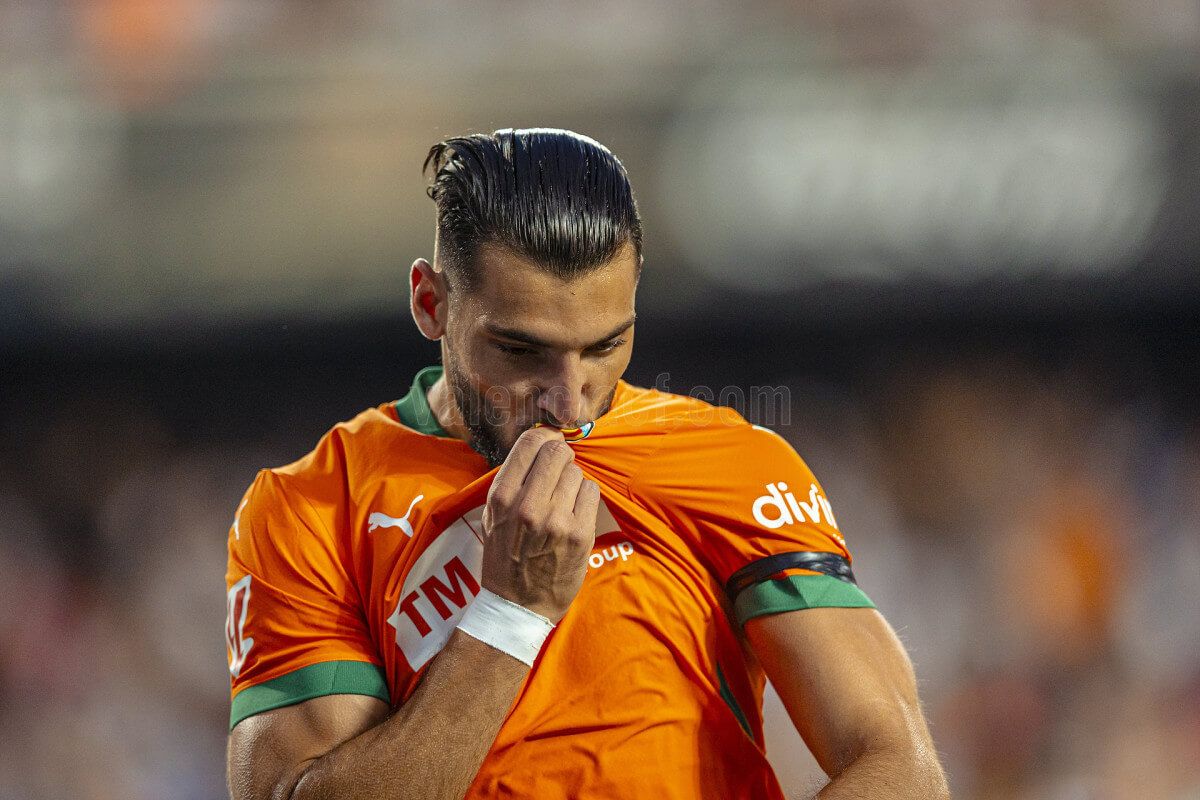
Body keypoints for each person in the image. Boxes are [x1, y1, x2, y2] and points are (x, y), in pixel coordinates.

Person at [224, 128, 948, 799]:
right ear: (430, 302)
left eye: (604, 346)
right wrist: (510, 614)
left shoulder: (734, 464)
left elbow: (899, 767)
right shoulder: (311, 509)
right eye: (521, 351)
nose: (569, 404)